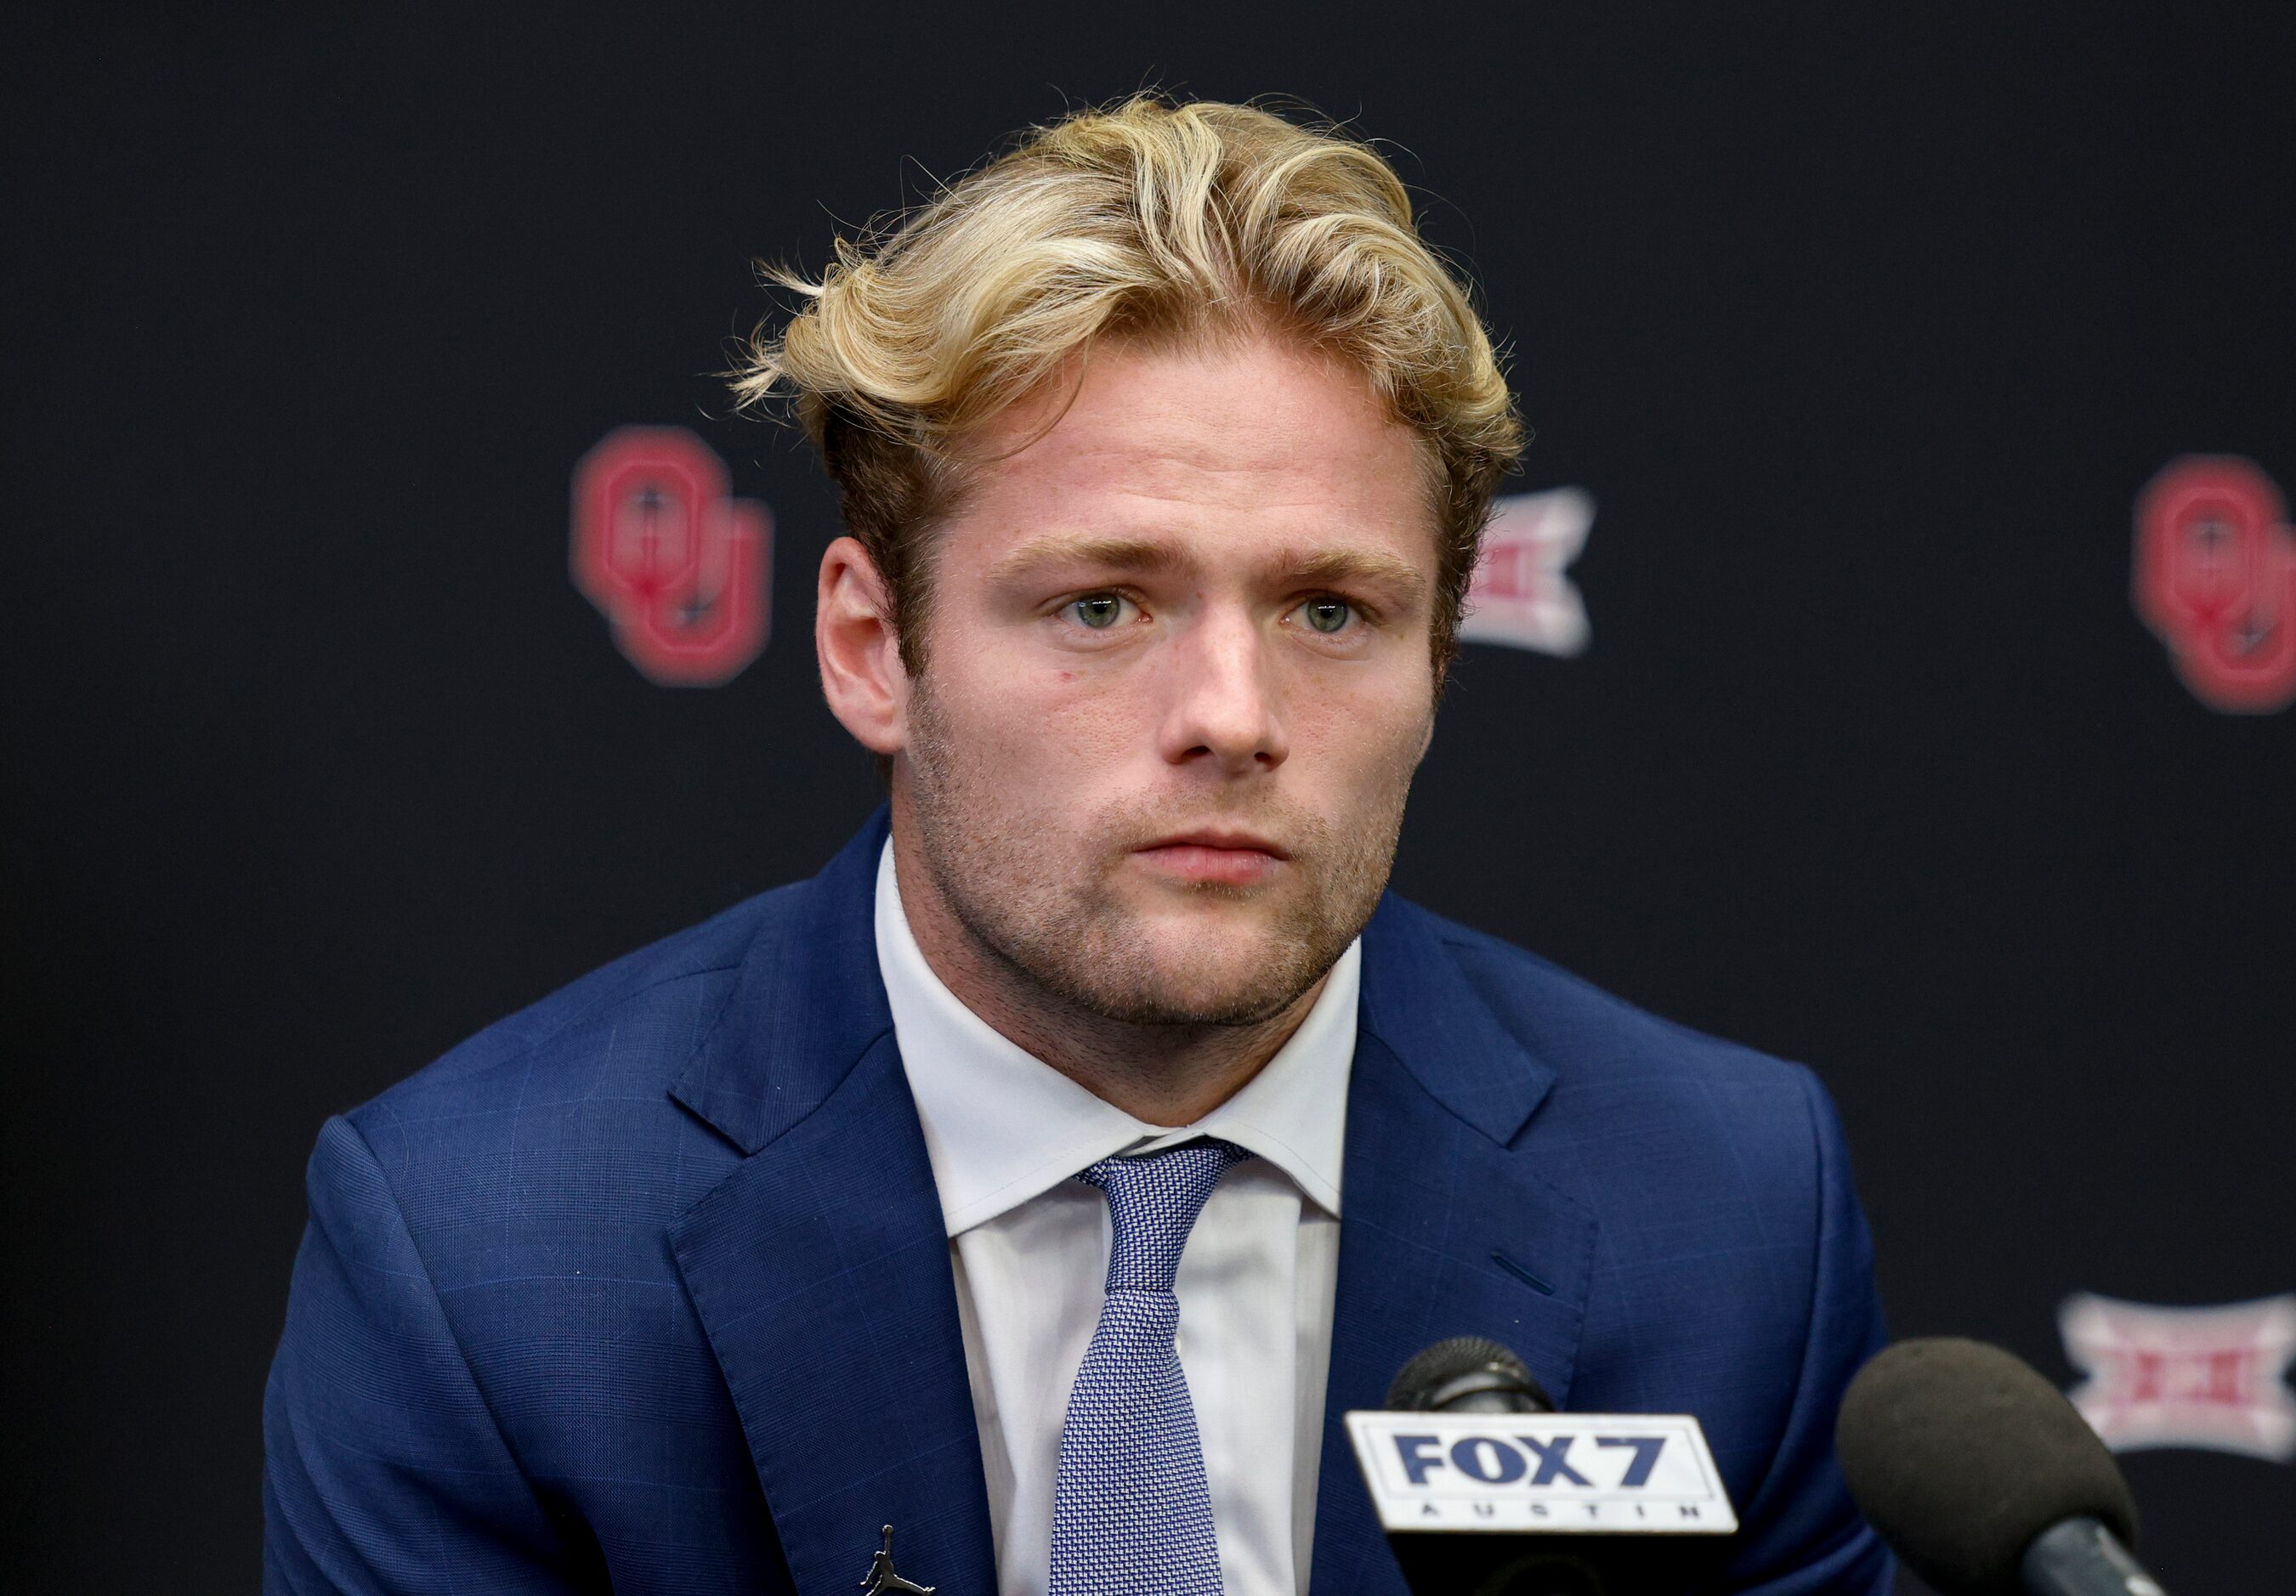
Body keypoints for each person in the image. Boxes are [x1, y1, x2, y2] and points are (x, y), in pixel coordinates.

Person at [263, 96, 1892, 1595]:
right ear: (867, 648)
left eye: (1332, 609)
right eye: (1099, 604)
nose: (1231, 713)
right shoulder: (490, 1259)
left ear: (1440, 664)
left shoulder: (1729, 1211)